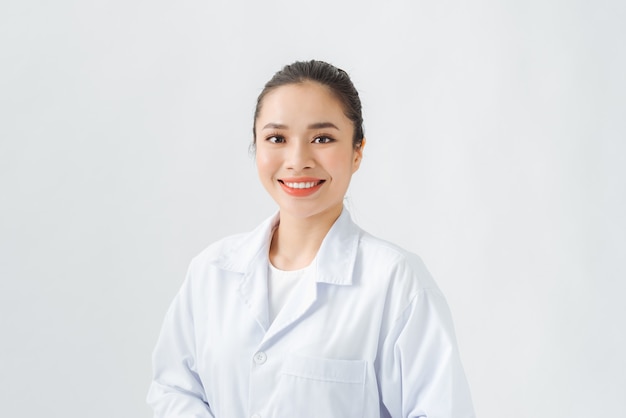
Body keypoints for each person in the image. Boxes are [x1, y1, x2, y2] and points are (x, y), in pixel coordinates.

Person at [147, 60, 475, 418]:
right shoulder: (212, 271)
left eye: (322, 139)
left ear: (357, 151)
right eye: (277, 138)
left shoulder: (396, 282)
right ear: (256, 146)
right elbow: (173, 389)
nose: (298, 160)